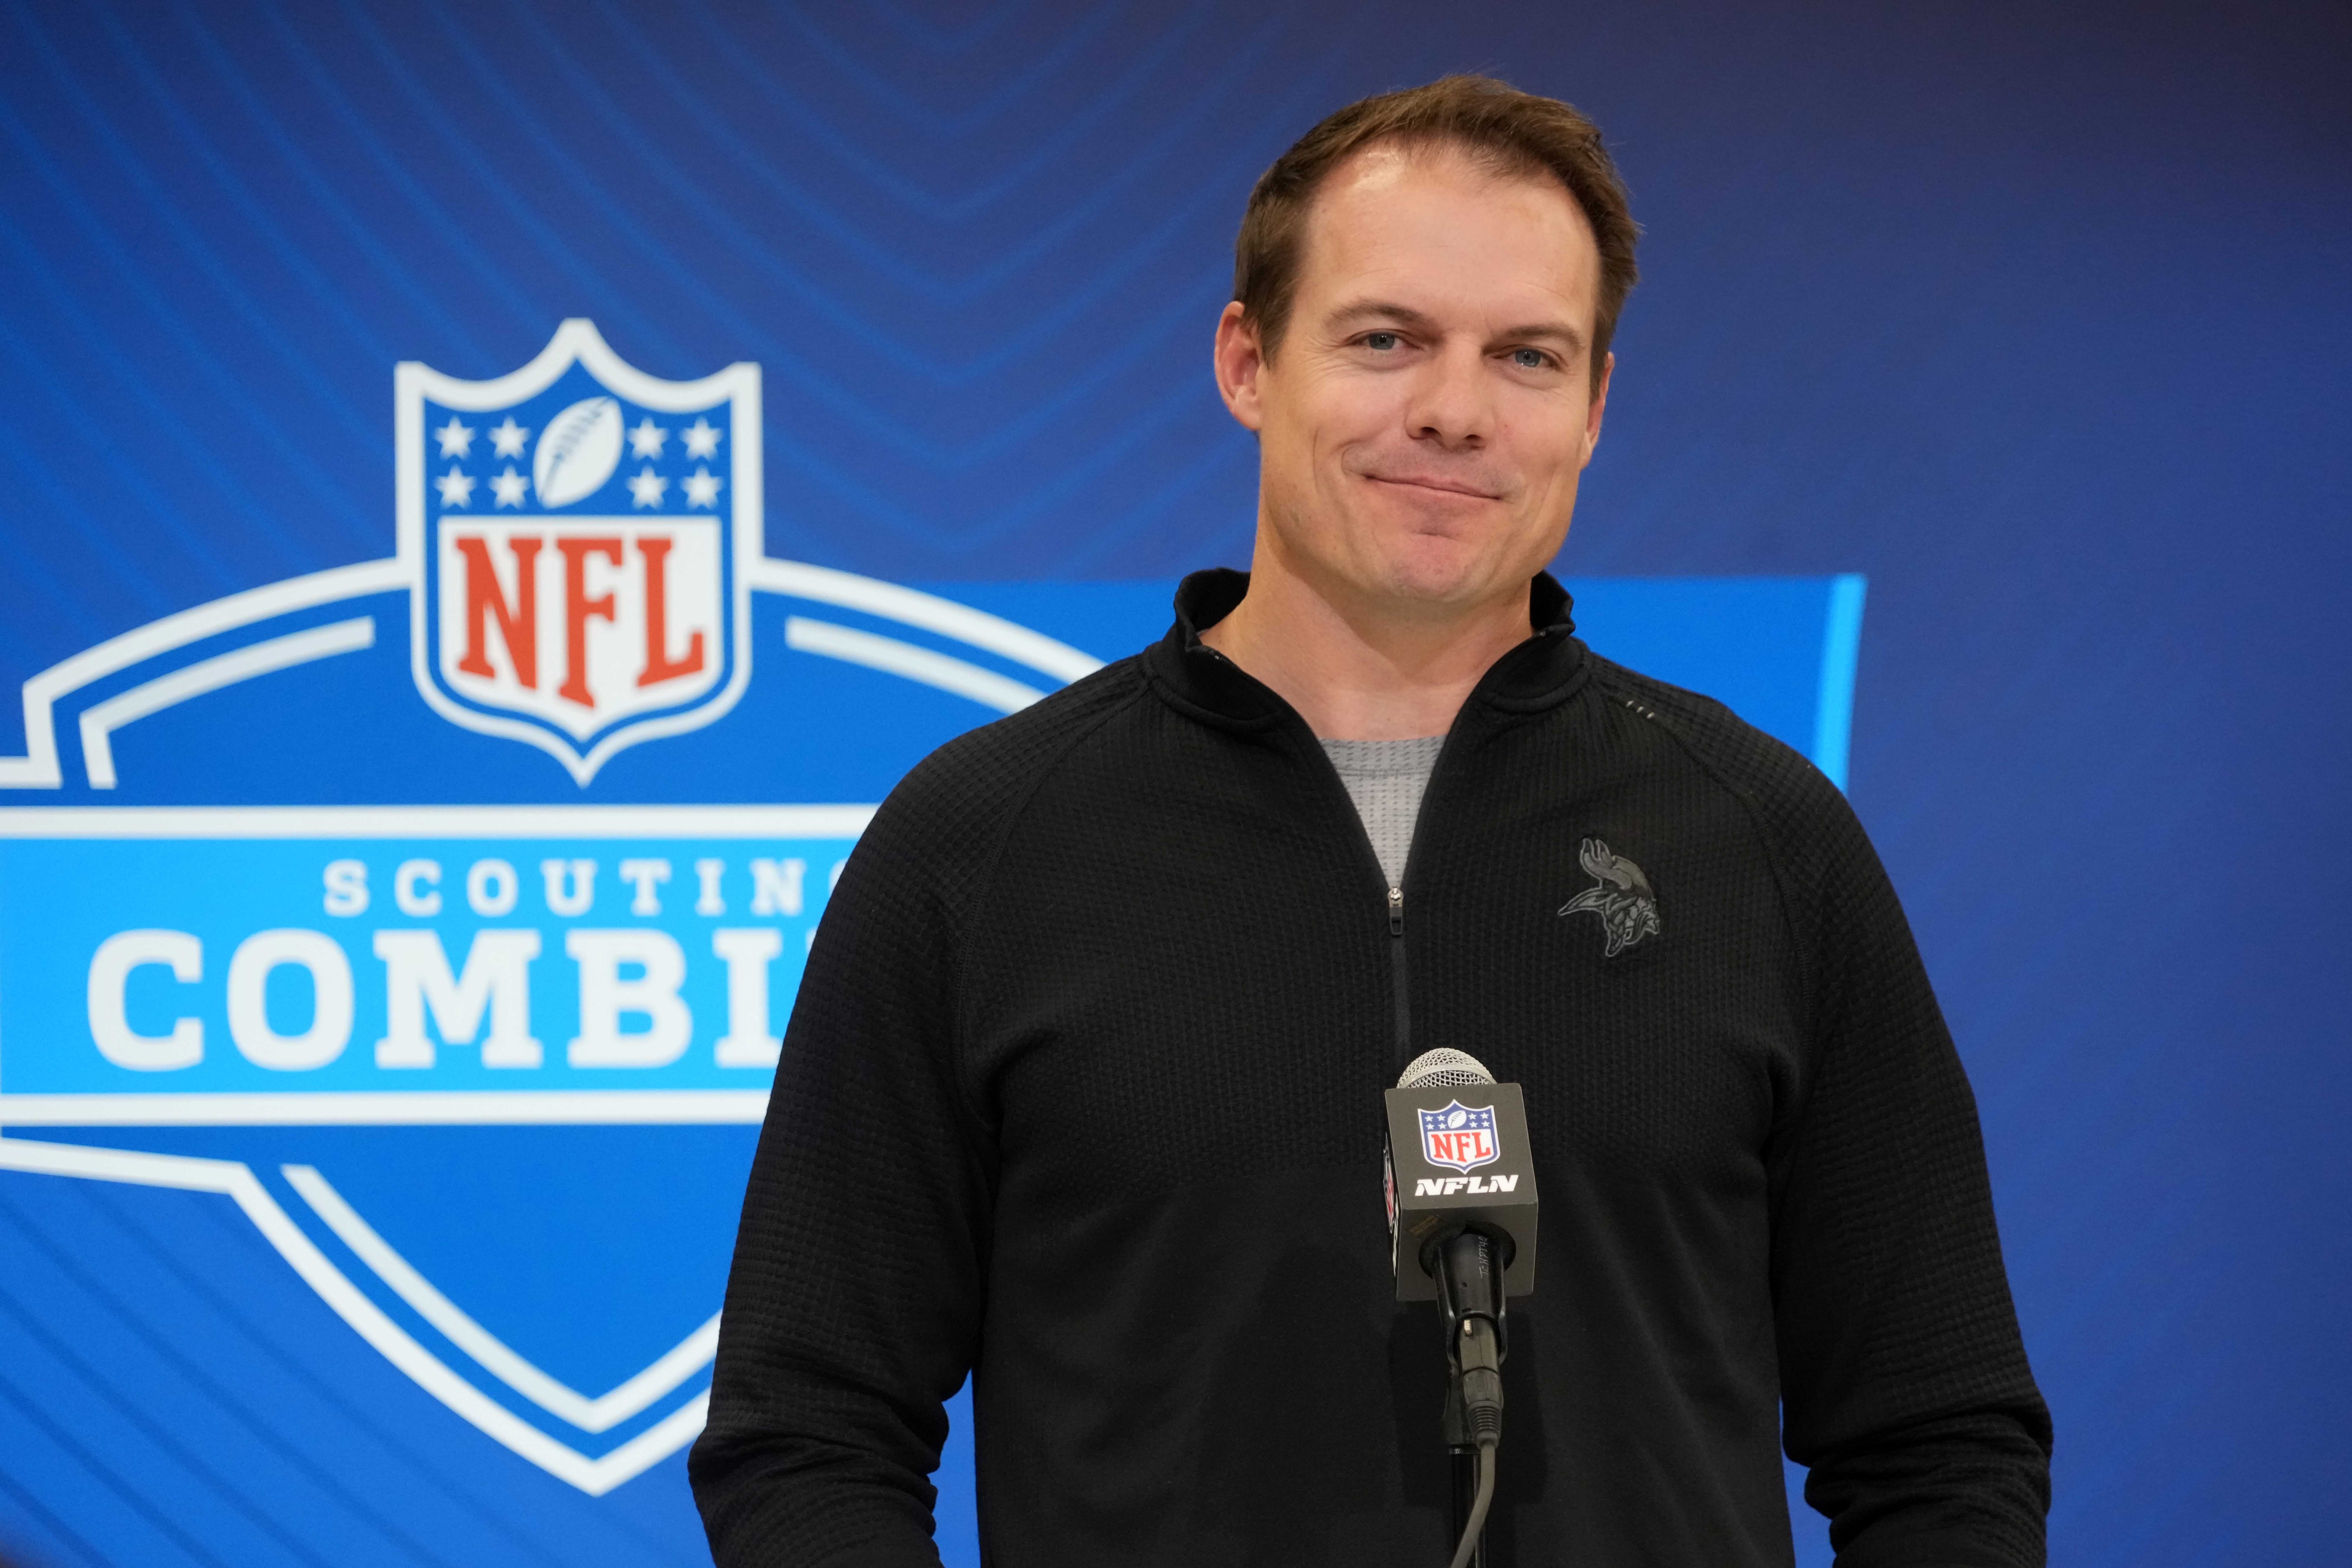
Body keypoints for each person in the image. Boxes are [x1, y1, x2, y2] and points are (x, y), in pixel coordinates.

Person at [691, 75, 2052, 1567]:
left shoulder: (1766, 840)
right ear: (1248, 359)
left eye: (1526, 355)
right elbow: (808, 1430)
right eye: (1387, 338)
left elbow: (1941, 1440)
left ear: (1596, 407)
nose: (1454, 410)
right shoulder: (981, 844)